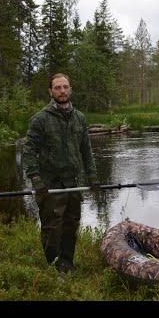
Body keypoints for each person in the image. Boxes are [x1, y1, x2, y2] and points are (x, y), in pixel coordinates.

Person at [22, 73, 100, 274]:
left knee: (71, 225)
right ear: (51, 91)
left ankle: (67, 263)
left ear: (70, 89)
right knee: (52, 227)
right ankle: (53, 267)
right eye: (57, 87)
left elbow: (86, 150)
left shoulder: (79, 118)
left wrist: (92, 176)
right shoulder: (40, 119)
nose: (62, 91)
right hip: (49, 183)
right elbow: (29, 151)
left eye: (65, 87)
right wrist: (35, 178)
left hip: (73, 182)